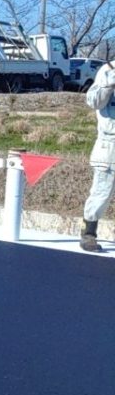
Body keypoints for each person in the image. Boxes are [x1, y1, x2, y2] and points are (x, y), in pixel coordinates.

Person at [79, 58, 115, 252]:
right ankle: (88, 234)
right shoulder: (108, 70)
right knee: (102, 191)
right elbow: (93, 101)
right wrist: (109, 84)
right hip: (110, 143)